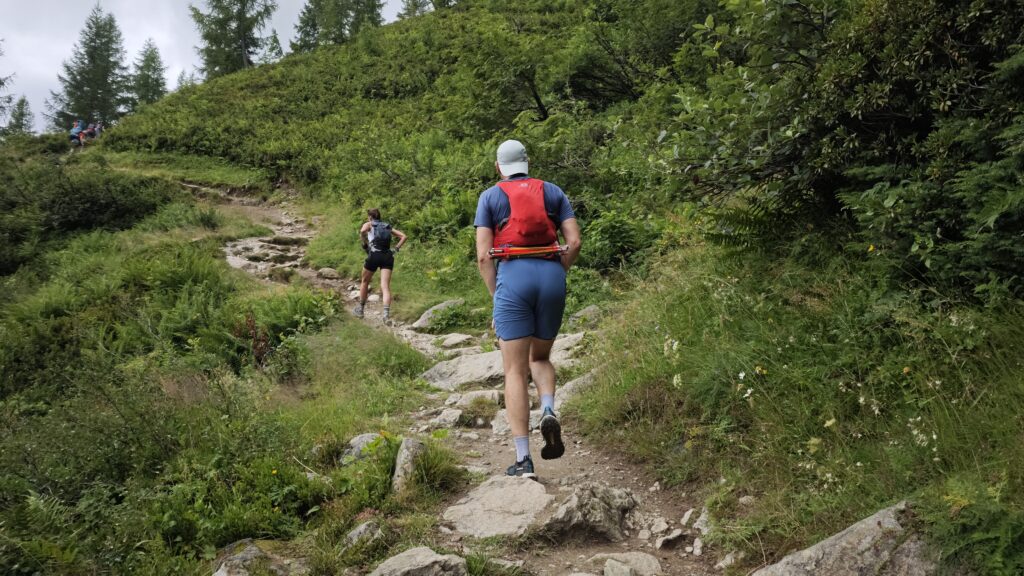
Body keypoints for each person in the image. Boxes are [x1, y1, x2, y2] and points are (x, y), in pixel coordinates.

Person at [474, 139, 582, 478]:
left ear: (498, 167)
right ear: (528, 161)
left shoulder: (490, 197)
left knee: (514, 371)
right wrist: (557, 271)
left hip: (513, 278)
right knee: (541, 358)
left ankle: (523, 460)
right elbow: (575, 241)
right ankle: (548, 407)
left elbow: (482, 256)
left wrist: (498, 295)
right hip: (551, 274)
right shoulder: (553, 192)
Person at [354, 208, 407, 322]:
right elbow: (403, 236)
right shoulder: (386, 226)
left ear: (370, 217)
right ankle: (386, 315)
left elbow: (362, 231)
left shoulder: (369, 224)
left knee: (365, 281)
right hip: (387, 256)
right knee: (385, 286)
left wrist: (365, 244)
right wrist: (396, 249)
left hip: (374, 255)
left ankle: (361, 310)